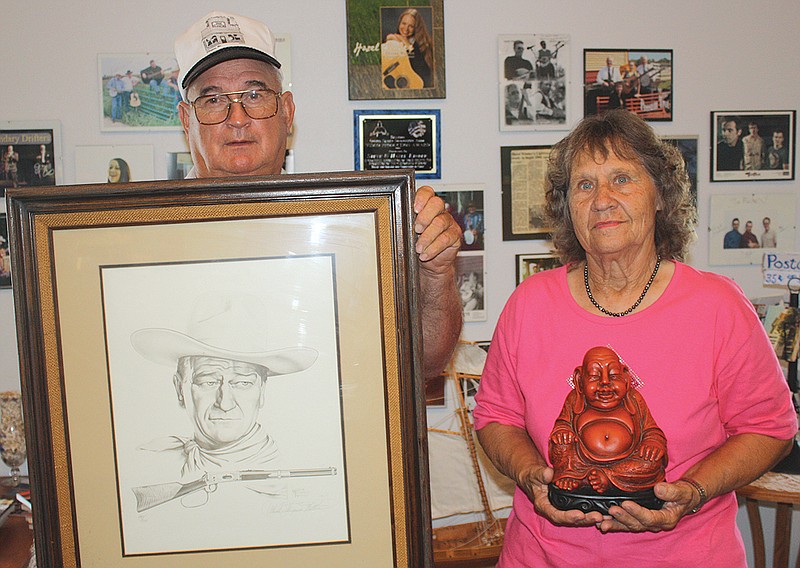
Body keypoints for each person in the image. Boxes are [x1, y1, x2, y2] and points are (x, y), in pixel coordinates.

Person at [473, 109, 796, 566]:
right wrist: (530, 474)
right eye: (584, 185)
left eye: (622, 178)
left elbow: (770, 428)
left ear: (661, 195)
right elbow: (495, 415)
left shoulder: (717, 306)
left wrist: (693, 491)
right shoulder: (529, 304)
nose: (602, 199)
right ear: (568, 208)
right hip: (542, 556)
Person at [174, 11, 461, 378]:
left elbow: (424, 363)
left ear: (287, 111)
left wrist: (435, 274)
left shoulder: (346, 227)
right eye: (213, 100)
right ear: (186, 120)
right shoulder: (134, 237)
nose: (237, 117)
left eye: (254, 94)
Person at [384, 8, 434, 88]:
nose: (406, 29)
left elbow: (423, 72)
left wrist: (407, 44)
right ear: (399, 23)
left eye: (411, 26)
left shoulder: (422, 45)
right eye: (404, 23)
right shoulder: (393, 39)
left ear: (416, 28)